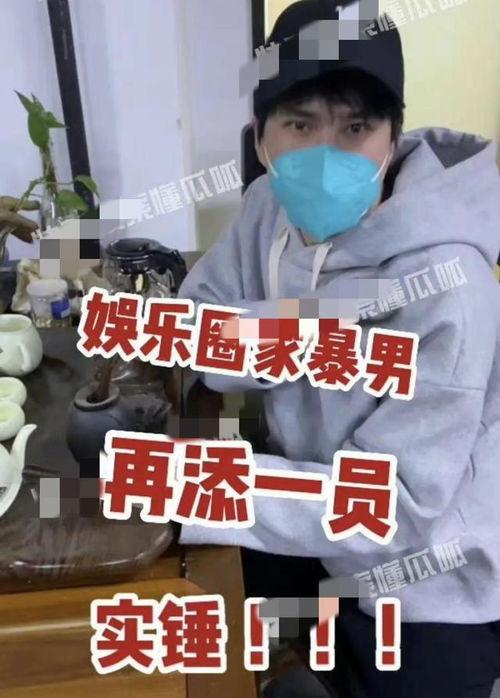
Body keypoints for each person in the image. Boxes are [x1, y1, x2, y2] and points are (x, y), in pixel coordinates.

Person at [178, 1, 500, 695]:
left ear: (391, 137)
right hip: (314, 516)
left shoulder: (450, 286)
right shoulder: (267, 207)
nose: (326, 157)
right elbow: (198, 323)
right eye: (300, 124)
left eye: (356, 128)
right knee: (177, 597)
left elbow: (394, 505)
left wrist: (204, 486)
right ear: (261, 137)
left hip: (428, 579)